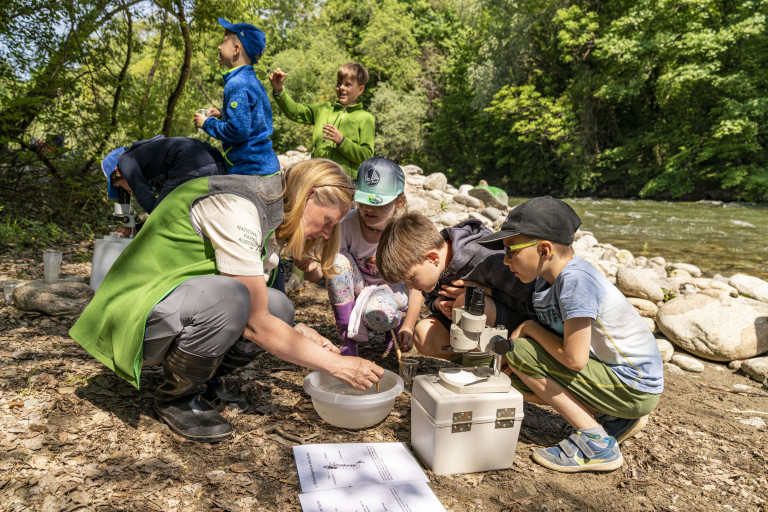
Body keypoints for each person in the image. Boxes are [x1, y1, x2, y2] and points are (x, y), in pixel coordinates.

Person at [69, 159, 383, 442]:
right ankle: (176, 398)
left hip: (171, 305)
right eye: (328, 221)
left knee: (280, 307)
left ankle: (202, 384)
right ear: (310, 195)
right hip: (129, 316)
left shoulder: (268, 212)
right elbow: (254, 321)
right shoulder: (238, 208)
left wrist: (299, 329)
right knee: (234, 298)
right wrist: (337, 365)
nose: (328, 234)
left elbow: (263, 307)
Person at [475, 196, 664, 473]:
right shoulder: (547, 280)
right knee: (516, 381)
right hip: (617, 380)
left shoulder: (576, 280)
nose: (505, 261)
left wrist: (529, 328)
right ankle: (613, 417)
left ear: (544, 249)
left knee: (521, 352)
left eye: (511, 251)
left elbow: (574, 360)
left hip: (634, 386)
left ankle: (596, 441)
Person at [297, 157, 423, 357]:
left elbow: (418, 284)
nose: (368, 209)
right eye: (364, 201)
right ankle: (347, 337)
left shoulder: (404, 230)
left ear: (399, 201)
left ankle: (394, 325)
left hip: (392, 288)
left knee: (377, 314)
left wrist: (408, 325)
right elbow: (324, 273)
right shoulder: (345, 224)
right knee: (337, 261)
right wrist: (312, 268)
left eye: (377, 203)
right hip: (359, 284)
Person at [376, 212, 536, 364]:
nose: (410, 287)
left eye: (410, 278)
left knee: (465, 303)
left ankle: (500, 361)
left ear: (432, 257)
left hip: (517, 325)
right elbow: (430, 298)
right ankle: (484, 361)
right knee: (423, 335)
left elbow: (533, 302)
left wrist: (485, 292)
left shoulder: (485, 258)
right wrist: (438, 304)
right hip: (474, 331)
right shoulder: (434, 266)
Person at [194, 18, 280, 176]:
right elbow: (254, 116)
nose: (219, 46)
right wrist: (222, 113)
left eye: (223, 41)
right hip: (266, 167)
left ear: (236, 49)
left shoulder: (236, 84)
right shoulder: (251, 80)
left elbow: (237, 131)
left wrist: (207, 124)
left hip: (249, 172)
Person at [269, 62, 374, 179]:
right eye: (339, 83)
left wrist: (342, 141)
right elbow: (294, 111)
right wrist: (279, 91)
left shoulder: (366, 118)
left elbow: (366, 156)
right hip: (317, 178)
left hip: (346, 183)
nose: (342, 88)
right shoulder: (323, 110)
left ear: (360, 89)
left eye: (348, 84)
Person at [101, 135, 226, 214]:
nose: (127, 191)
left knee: (165, 216)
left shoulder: (125, 160)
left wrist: (150, 222)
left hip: (191, 164)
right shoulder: (147, 160)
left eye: (119, 186)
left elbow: (149, 202)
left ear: (117, 171)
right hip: (215, 162)